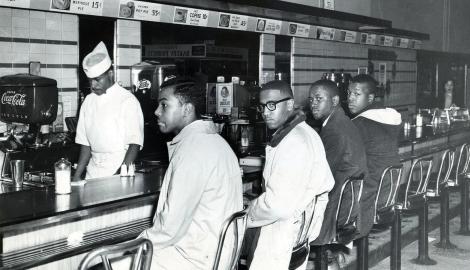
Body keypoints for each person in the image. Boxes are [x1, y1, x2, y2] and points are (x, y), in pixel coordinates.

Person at [139, 78, 243, 269]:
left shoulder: (193, 151)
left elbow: (169, 229)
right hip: (218, 256)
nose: (156, 112)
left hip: (194, 260)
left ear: (187, 109)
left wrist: (135, 243)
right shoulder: (216, 142)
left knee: (105, 262)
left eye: (164, 105)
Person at [247, 80, 334, 270]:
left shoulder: (293, 143)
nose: (266, 112)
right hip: (299, 234)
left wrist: (248, 212)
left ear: (289, 104)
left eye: (272, 105)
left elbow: (277, 207)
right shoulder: (307, 132)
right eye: (262, 107)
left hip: (281, 236)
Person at [308, 80, 367, 246]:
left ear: (334, 101)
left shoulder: (334, 130)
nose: (313, 104)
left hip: (336, 208)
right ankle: (332, 259)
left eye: (319, 99)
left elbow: (321, 176)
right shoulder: (342, 121)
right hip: (348, 203)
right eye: (311, 99)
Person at [74, 41, 144, 180]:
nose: (93, 85)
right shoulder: (88, 101)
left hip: (118, 168)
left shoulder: (127, 101)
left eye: (97, 80)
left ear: (110, 74)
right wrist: (76, 176)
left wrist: (120, 175)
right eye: (90, 81)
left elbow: (134, 144)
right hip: (92, 173)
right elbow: (85, 143)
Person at [347, 74, 402, 237]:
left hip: (369, 196)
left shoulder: (359, 124)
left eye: (356, 94)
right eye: (348, 93)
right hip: (388, 192)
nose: (350, 99)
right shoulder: (389, 118)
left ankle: (330, 252)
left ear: (370, 97)